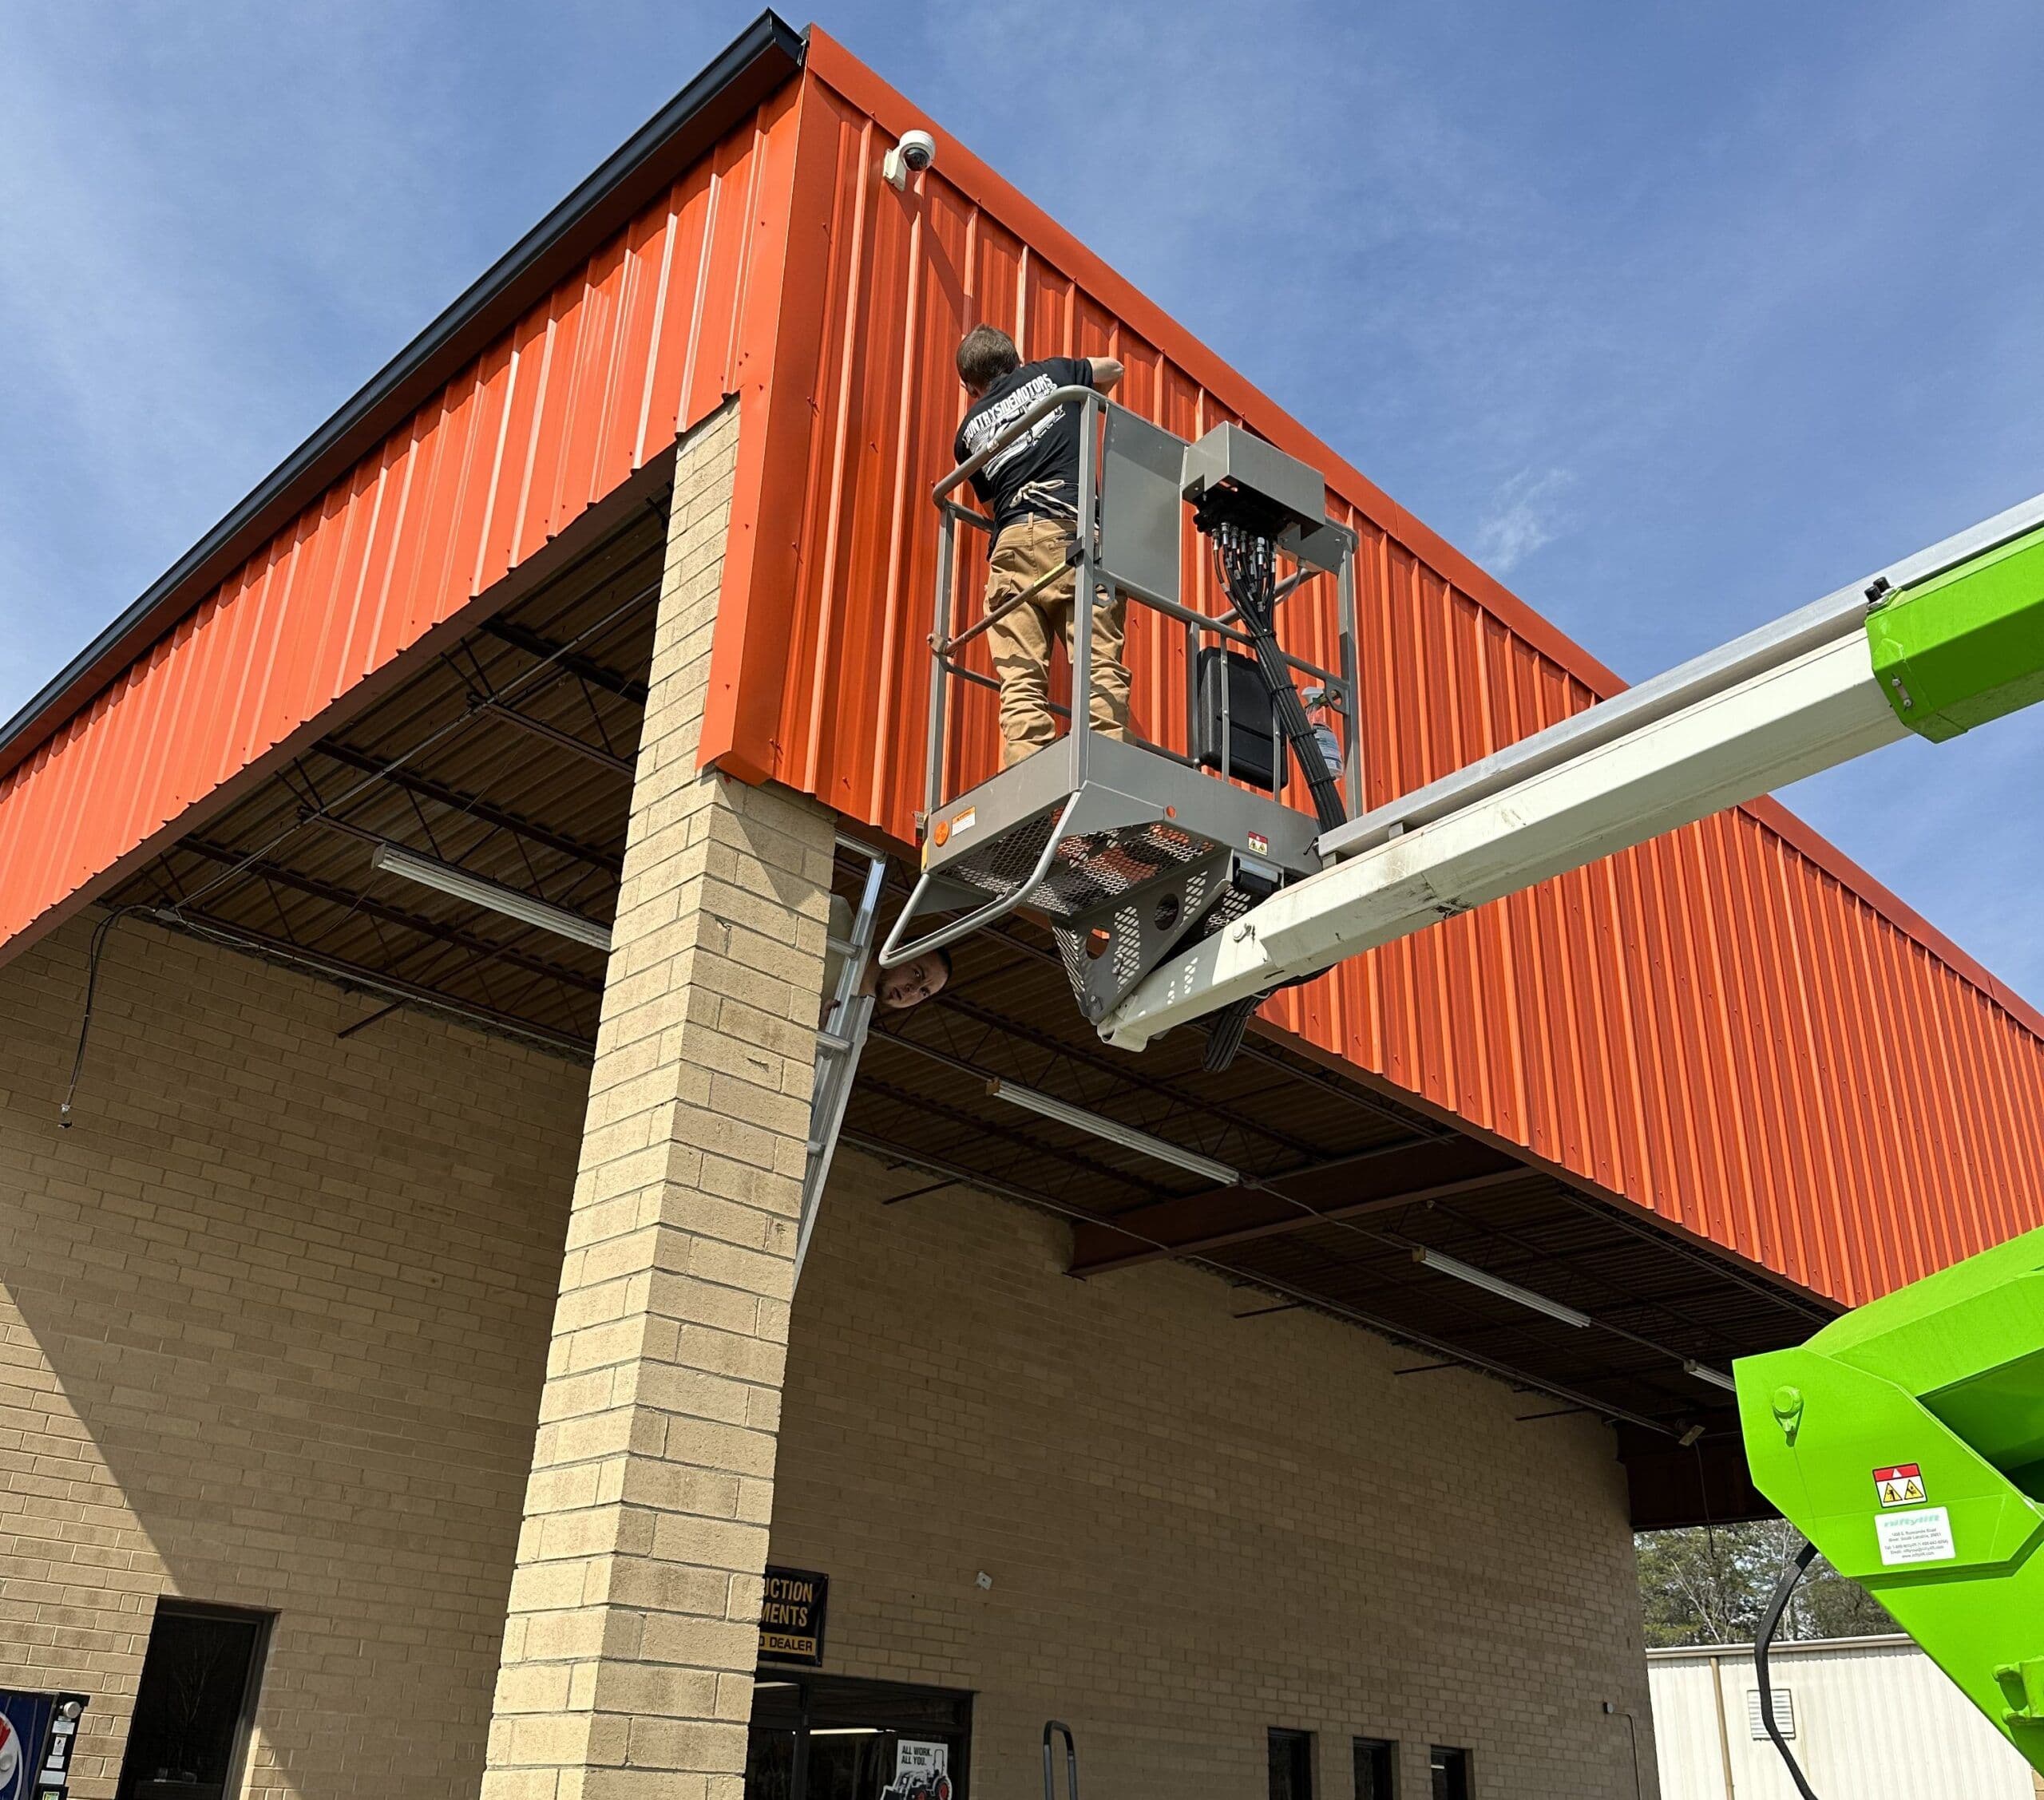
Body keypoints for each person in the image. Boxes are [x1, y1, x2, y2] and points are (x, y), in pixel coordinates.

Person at [953, 325, 1129, 768]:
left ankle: (1025, 779)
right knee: (1098, 661)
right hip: (1071, 534)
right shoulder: (1053, 374)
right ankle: (1102, 767)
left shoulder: (968, 432)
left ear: (971, 386)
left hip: (1011, 546)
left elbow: (992, 500)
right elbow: (1114, 368)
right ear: (1015, 358)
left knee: (1021, 678)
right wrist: (1074, 385)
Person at [820, 892, 950, 1026]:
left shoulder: (849, 1029)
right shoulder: (836, 915)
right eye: (917, 973)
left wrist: (819, 1032)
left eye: (924, 992)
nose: (913, 990)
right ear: (897, 950)